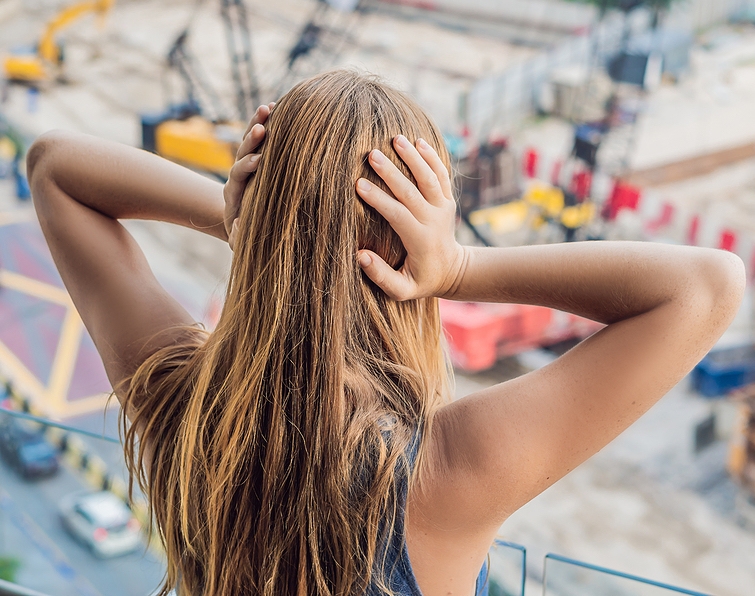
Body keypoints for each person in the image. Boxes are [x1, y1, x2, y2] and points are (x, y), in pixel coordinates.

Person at [26, 70, 744, 596]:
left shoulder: (179, 400)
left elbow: (55, 166)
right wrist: (458, 268)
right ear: (409, 245)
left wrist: (262, 226)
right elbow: (706, 286)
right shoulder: (446, 472)